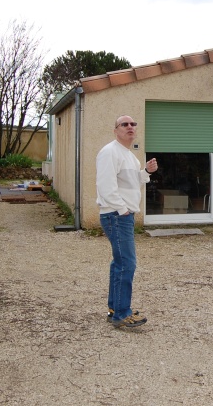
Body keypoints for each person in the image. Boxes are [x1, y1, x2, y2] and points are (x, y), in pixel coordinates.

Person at [96, 115, 158, 328]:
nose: (130, 127)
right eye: (125, 124)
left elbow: (132, 183)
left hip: (123, 215)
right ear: (116, 130)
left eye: (133, 124)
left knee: (119, 263)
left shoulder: (130, 157)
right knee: (127, 263)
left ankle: (115, 309)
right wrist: (122, 210)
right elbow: (106, 186)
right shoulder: (109, 152)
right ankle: (122, 314)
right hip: (116, 215)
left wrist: (146, 172)